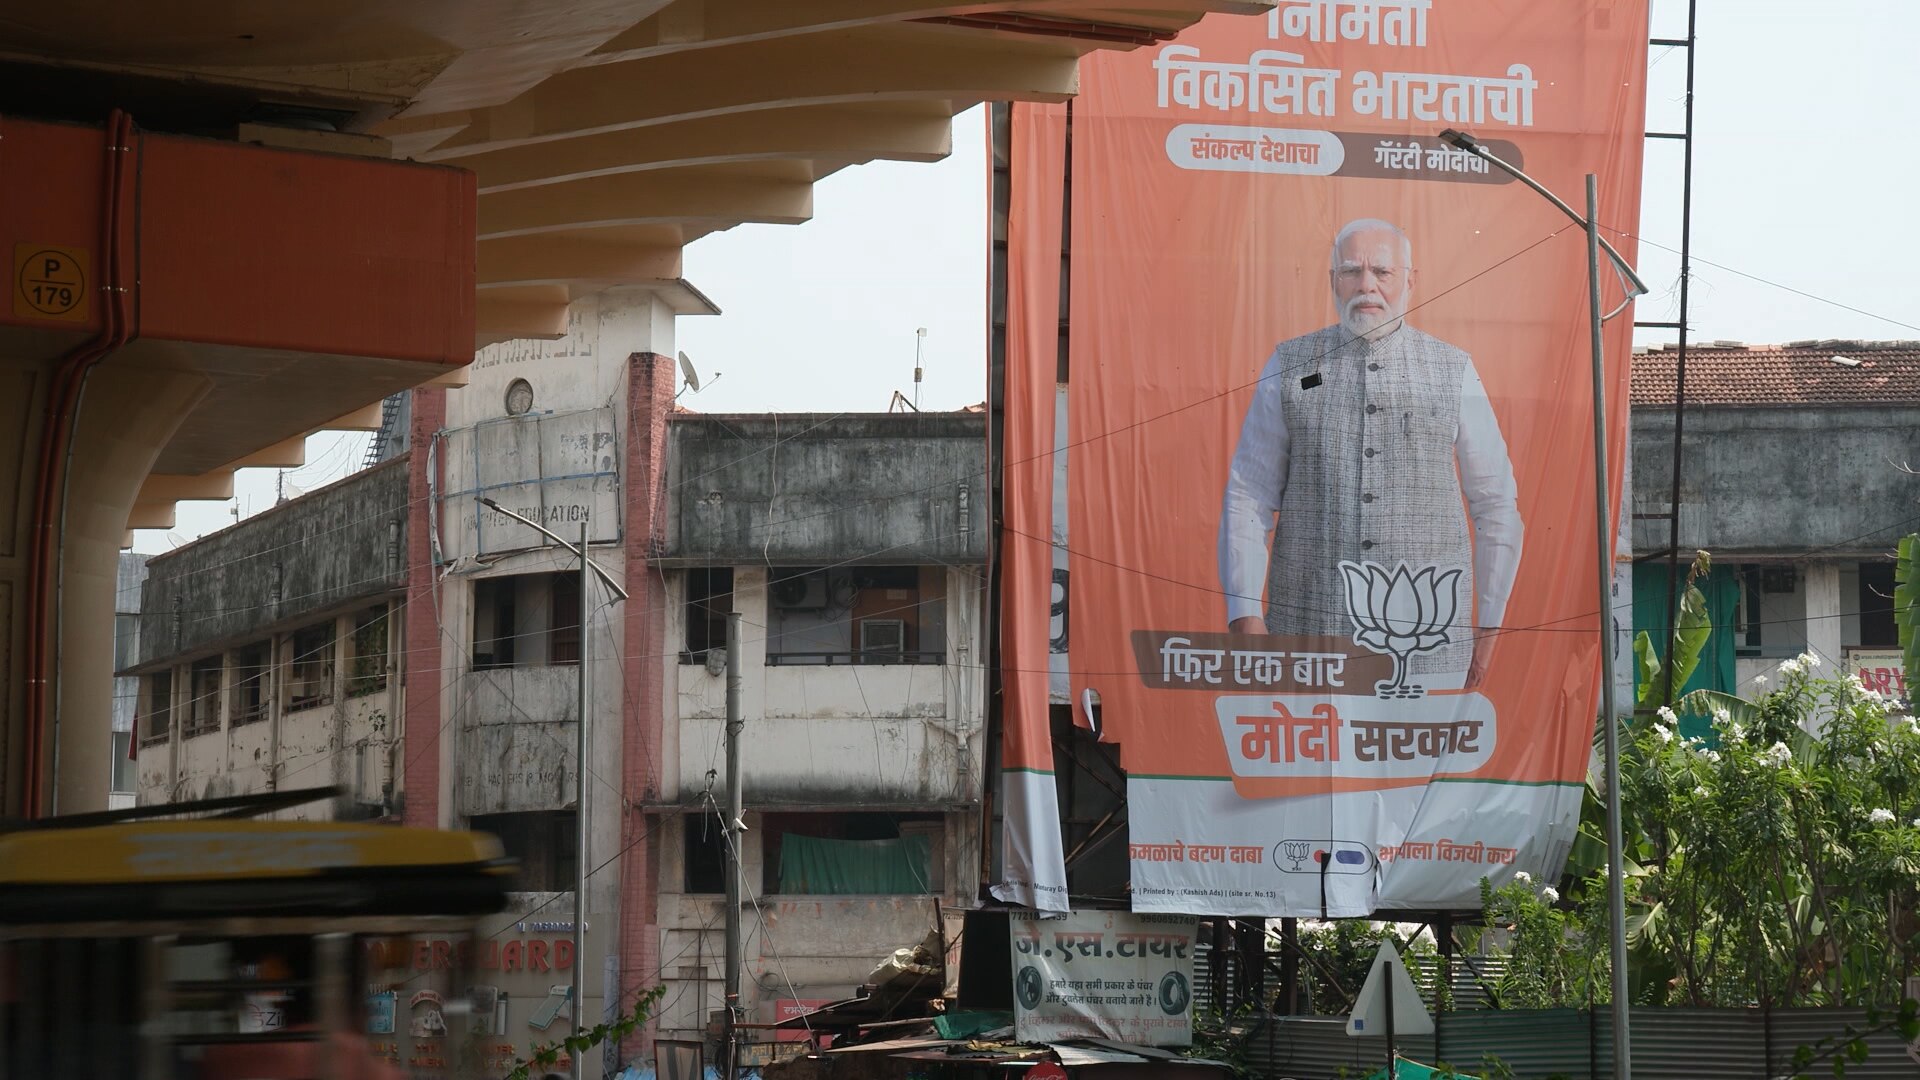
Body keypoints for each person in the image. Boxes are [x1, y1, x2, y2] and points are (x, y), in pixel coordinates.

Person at [1217, 218, 1522, 693]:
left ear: (1409, 280)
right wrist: (1244, 614)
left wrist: (1490, 627)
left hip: (1431, 645)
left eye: (1382, 271)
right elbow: (1248, 495)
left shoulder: (1453, 370)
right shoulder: (1290, 364)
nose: (1366, 286)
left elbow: (1496, 505)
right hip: (1308, 640)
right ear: (1332, 281)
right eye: (1350, 272)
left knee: (1417, 767)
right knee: (1308, 765)